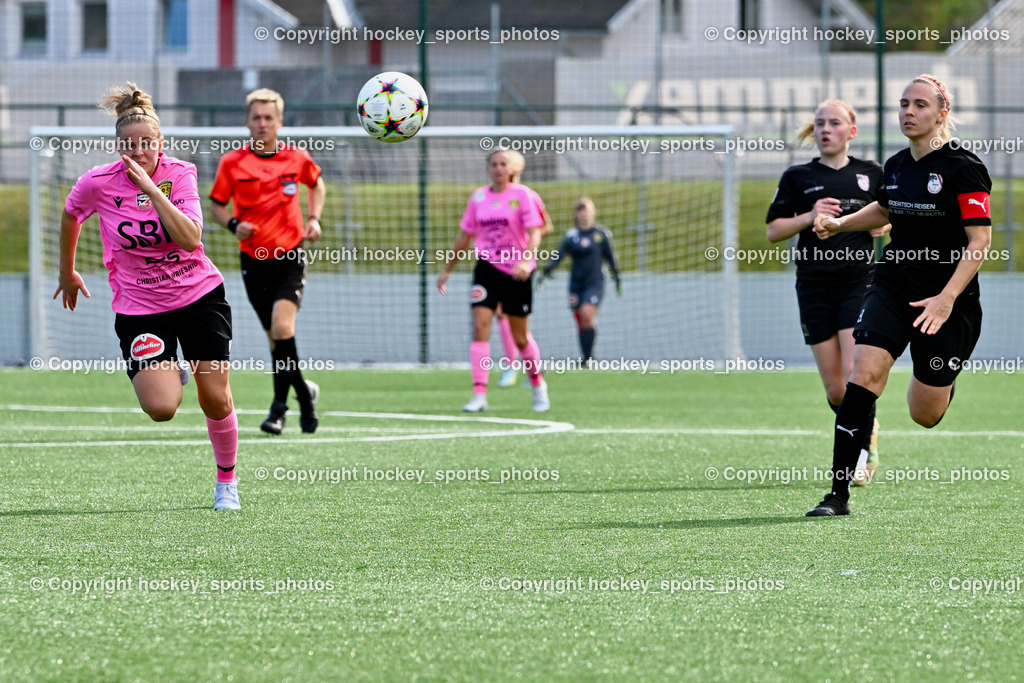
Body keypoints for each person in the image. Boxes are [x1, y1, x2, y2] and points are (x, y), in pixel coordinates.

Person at [806, 75, 992, 516]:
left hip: (948, 300)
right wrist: (840, 224)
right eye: (904, 103)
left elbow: (980, 242)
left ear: (942, 113)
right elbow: (885, 209)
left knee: (924, 414)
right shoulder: (895, 166)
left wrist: (945, 299)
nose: (909, 111)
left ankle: (943, 381)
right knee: (863, 375)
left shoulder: (964, 168)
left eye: (920, 105)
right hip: (892, 285)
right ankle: (837, 495)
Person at [54, 82, 240, 510]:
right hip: (140, 307)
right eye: (129, 145)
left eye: (147, 144)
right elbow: (70, 214)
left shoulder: (180, 174)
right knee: (161, 407)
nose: (138, 152)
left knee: (215, 399)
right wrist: (67, 271)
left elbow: (190, 239)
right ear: (118, 146)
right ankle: (173, 369)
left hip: (199, 296)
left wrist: (153, 191)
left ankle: (226, 482)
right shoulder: (97, 182)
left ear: (160, 143)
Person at [766, 100, 885, 486]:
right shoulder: (798, 176)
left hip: (859, 282)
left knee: (855, 374)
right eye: (820, 123)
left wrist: (883, 227)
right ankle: (868, 428)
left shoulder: (872, 174)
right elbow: (773, 231)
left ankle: (860, 456)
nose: (826, 129)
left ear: (852, 131)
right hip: (814, 286)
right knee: (836, 391)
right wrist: (809, 215)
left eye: (834, 123)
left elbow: (898, 214)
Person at [210, 88, 326, 435]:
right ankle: (304, 391)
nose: (262, 123)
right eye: (256, 117)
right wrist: (234, 224)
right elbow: (216, 206)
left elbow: (317, 185)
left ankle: (282, 407)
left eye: (268, 118)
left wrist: (314, 218)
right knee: (276, 340)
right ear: (247, 122)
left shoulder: (296, 157)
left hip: (289, 255)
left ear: (279, 121)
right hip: (252, 261)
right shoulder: (232, 162)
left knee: (282, 328)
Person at [437, 149, 549, 412]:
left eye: (503, 164)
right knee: (480, 327)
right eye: (494, 164)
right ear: (488, 169)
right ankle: (479, 395)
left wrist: (526, 260)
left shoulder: (523, 195)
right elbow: (464, 236)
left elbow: (536, 232)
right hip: (486, 269)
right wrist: (447, 270)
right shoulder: (478, 198)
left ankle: (537, 384)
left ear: (512, 169)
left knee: (520, 337)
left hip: (517, 271)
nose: (498, 168)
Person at [537, 198, 622, 364]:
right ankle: (586, 357)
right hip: (576, 284)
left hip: (595, 282)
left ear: (593, 213)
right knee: (581, 320)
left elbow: (611, 258)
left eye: (587, 210)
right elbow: (558, 256)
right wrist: (545, 273)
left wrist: (617, 279)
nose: (584, 214)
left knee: (586, 313)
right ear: (576, 214)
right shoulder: (571, 236)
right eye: (581, 211)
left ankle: (589, 357)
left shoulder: (601, 235)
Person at [495, 150, 553, 387]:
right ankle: (513, 365)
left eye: (506, 164)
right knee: (501, 314)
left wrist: (523, 240)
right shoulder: (493, 196)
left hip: (521, 264)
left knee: (515, 320)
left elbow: (545, 226)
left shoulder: (528, 196)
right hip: (497, 263)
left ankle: (527, 368)